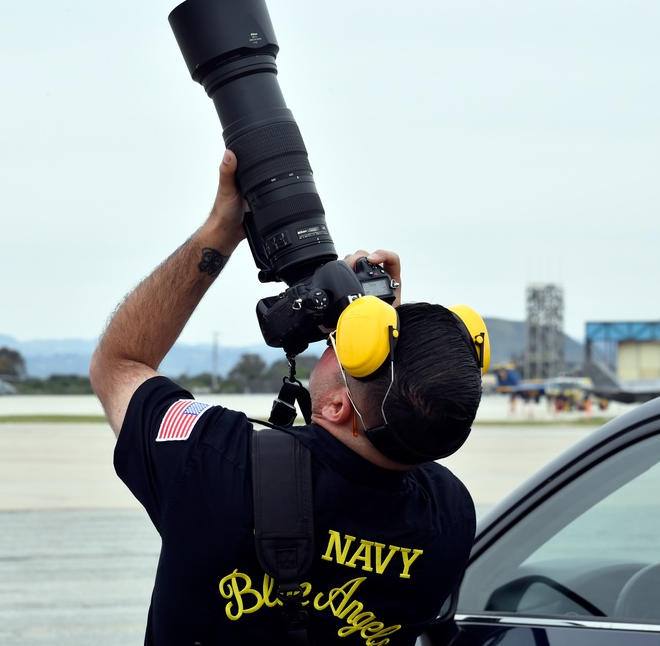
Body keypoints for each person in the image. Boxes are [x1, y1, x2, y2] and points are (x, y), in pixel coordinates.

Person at [90, 150, 485, 645]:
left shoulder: (220, 464)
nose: (331, 342)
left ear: (337, 407)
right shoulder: (448, 518)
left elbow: (119, 363)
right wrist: (396, 353)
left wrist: (221, 228)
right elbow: (408, 412)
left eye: (341, 346)